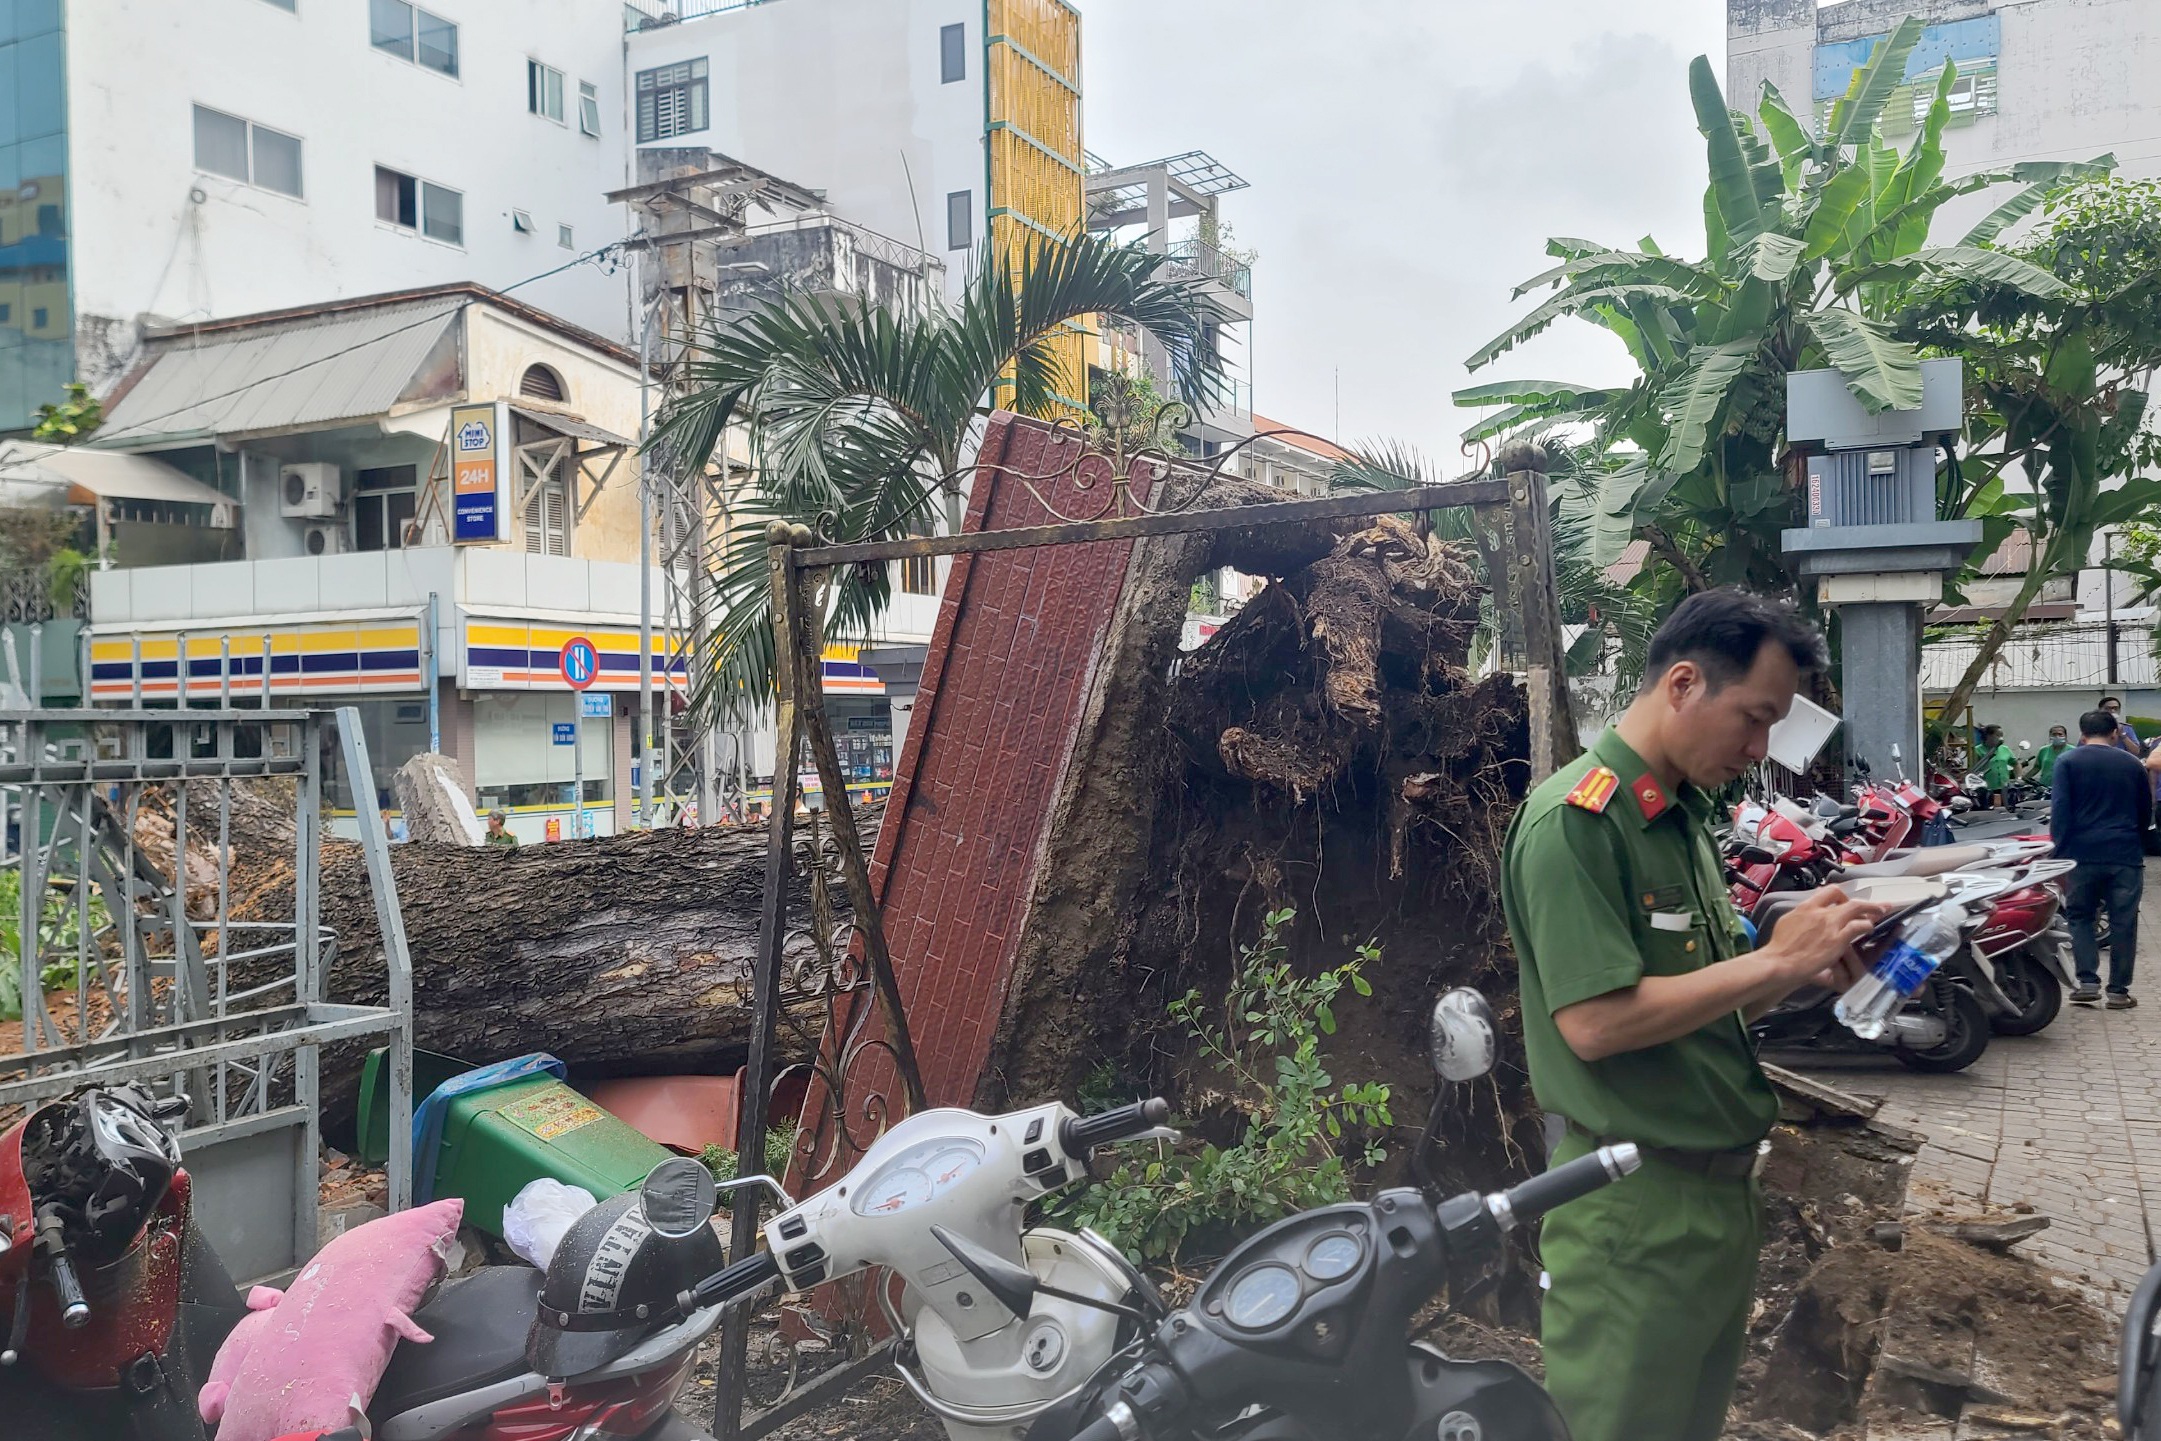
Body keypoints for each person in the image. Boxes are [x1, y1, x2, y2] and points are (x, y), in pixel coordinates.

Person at [1501, 588, 1887, 1441]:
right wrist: (1771, 959)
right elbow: (1595, 1024)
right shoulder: (1578, 822)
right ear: (1681, 684)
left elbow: (1699, 1003)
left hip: (1717, 1202)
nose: (1756, 750)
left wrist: (1792, 964)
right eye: (1752, 719)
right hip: (1634, 1213)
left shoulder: (1676, 819)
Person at [2052, 710, 2150, 1008]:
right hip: (2125, 854)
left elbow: (2061, 811)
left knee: (2080, 916)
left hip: (2081, 854)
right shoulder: (2132, 764)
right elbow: (2145, 812)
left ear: (2082, 733)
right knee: (2124, 922)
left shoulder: (2067, 762)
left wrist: (2059, 851)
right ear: (2115, 733)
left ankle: (2087, 982)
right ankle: (2118, 991)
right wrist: (2136, 842)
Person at [1977, 725, 2015, 810]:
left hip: (2004, 787)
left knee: (2006, 810)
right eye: (1998, 735)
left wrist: (2019, 777)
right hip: (1987, 789)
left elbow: (2016, 764)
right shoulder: (1977, 750)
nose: (2001, 738)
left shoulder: (2005, 749)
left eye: (2002, 735)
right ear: (1988, 736)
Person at [2022, 725, 2071, 789]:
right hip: (2045, 786)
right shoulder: (2044, 750)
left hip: (2065, 787)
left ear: (2065, 736)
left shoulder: (2073, 751)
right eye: (2054, 734)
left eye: (2060, 734)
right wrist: (2024, 778)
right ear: (2050, 736)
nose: (2057, 737)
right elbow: (2036, 767)